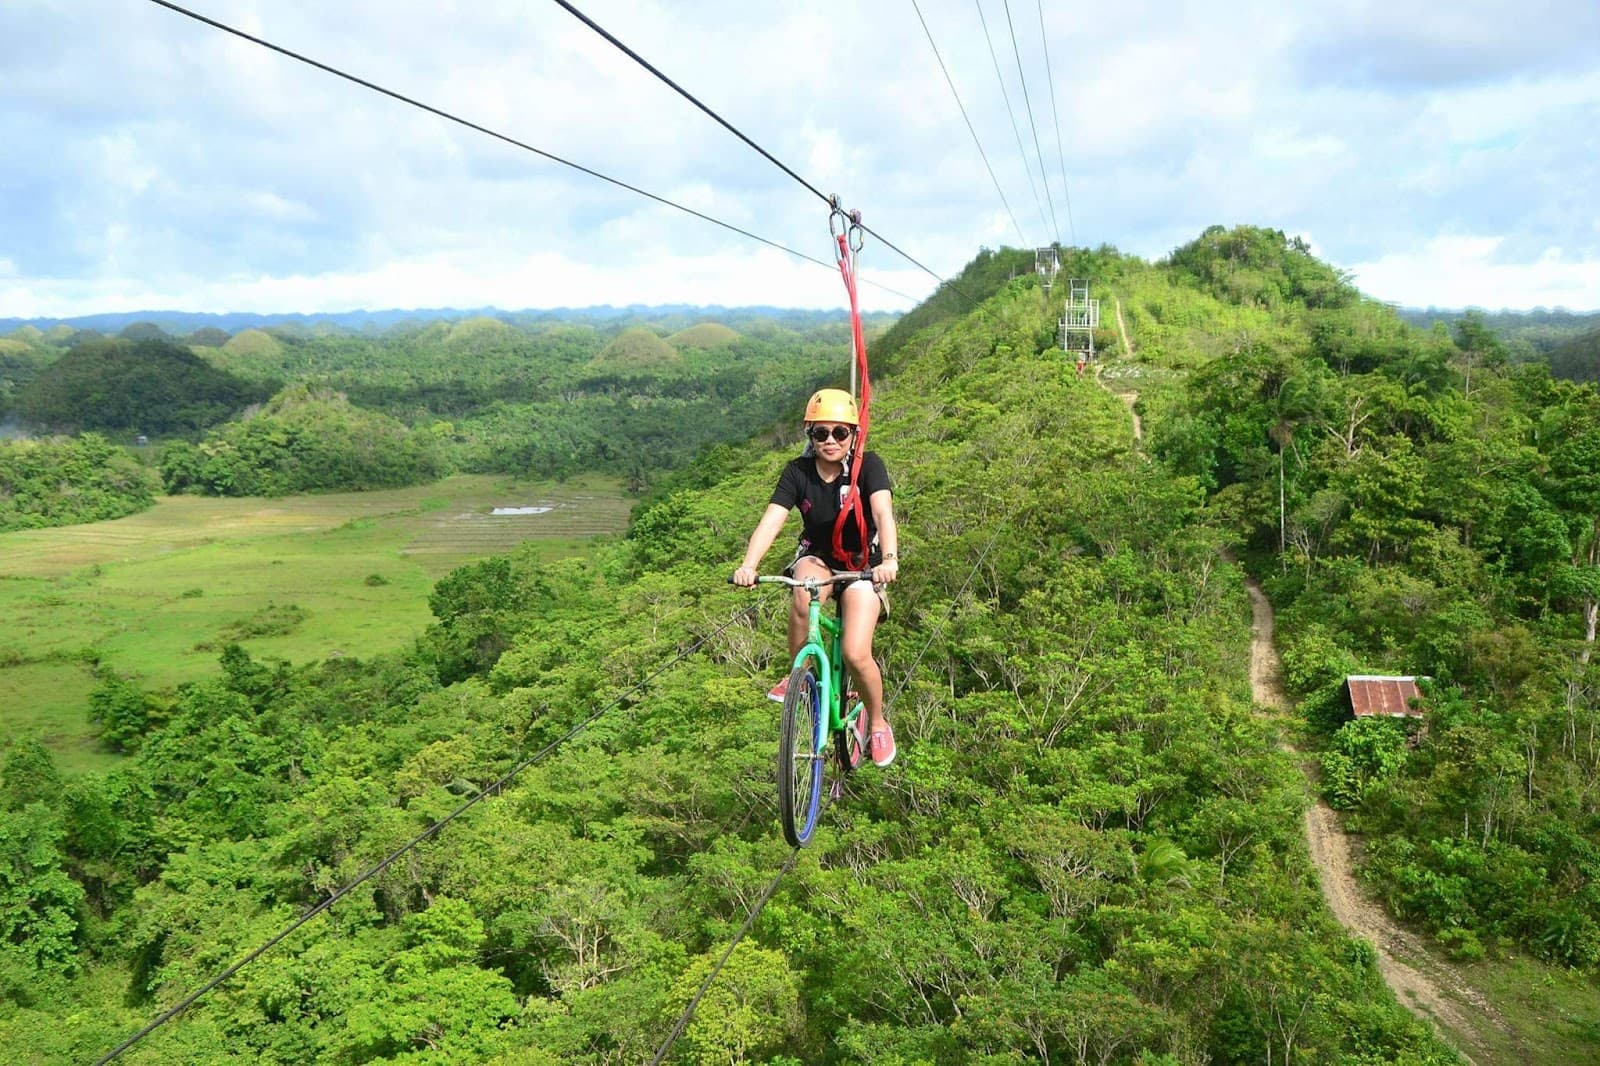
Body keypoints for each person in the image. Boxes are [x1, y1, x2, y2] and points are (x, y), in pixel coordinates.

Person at [732, 388, 900, 767]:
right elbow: (772, 519)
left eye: (840, 432)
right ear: (810, 434)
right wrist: (749, 565)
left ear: (853, 434)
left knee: (855, 652)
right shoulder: (798, 472)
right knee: (803, 593)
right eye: (821, 433)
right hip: (819, 558)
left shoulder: (868, 466)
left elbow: (883, 513)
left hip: (862, 564)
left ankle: (877, 722)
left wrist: (889, 558)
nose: (830, 441)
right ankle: (798, 675)